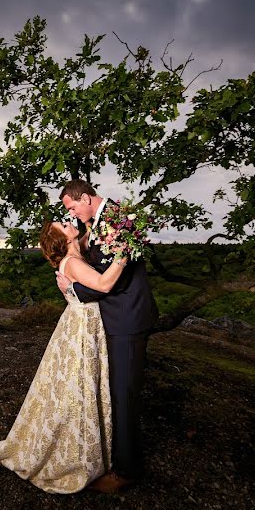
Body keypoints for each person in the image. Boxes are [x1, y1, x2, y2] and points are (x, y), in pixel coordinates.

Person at [0, 220, 129, 493]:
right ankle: (73, 452)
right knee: (78, 383)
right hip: (82, 327)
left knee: (72, 382)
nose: (68, 221)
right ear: (62, 239)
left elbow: (89, 234)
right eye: (64, 225)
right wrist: (123, 253)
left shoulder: (76, 255)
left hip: (79, 324)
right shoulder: (73, 263)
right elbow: (103, 283)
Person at [56, 179, 159, 493]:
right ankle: (116, 455)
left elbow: (110, 280)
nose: (71, 214)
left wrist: (72, 289)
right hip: (116, 318)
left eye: (71, 207)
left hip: (127, 319)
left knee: (124, 395)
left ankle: (127, 471)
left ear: (85, 197)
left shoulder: (117, 222)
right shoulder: (102, 222)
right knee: (115, 391)